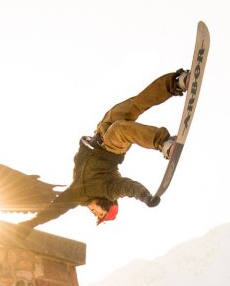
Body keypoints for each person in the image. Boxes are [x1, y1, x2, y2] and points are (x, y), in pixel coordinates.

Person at [20, 68, 190, 231]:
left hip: (100, 133)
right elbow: (128, 187)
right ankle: (164, 144)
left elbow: (56, 208)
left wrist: (32, 223)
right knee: (119, 129)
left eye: (96, 216)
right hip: (112, 148)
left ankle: (176, 82)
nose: (94, 214)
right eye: (100, 214)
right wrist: (144, 196)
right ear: (107, 206)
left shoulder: (76, 195)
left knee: (134, 105)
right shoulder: (110, 190)